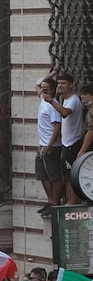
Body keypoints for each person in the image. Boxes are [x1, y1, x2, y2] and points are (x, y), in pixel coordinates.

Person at [45, 74, 84, 205]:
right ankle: (69, 200)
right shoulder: (63, 100)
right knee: (66, 176)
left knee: (72, 175)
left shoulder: (73, 100)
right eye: (59, 83)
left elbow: (65, 113)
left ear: (71, 85)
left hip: (73, 144)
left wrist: (51, 101)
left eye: (64, 83)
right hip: (66, 144)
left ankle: (73, 202)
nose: (60, 86)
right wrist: (49, 76)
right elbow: (39, 86)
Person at [35, 77, 63, 217]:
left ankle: (55, 202)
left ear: (52, 90)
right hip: (41, 144)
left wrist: (51, 144)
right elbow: (36, 85)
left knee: (54, 176)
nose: (43, 90)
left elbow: (57, 125)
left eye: (46, 88)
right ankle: (50, 199)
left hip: (51, 145)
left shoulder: (53, 105)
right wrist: (48, 75)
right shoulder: (43, 100)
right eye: (42, 88)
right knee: (42, 174)